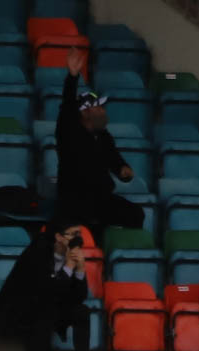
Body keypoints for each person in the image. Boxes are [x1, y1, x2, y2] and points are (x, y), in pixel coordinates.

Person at [0, 221, 93, 351]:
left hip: (55, 306)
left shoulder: (73, 255)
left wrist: (80, 270)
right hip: (27, 308)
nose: (78, 239)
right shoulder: (38, 252)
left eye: (79, 234)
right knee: (45, 308)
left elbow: (78, 297)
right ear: (59, 237)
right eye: (73, 234)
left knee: (82, 311)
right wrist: (68, 268)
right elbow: (44, 292)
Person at [55, 48, 140, 236]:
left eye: (101, 106)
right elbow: (68, 106)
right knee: (92, 227)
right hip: (75, 202)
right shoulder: (69, 132)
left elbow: (114, 159)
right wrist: (73, 76)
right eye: (97, 108)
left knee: (135, 214)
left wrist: (122, 170)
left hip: (101, 199)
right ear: (84, 113)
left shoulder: (103, 136)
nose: (102, 110)